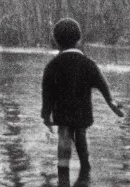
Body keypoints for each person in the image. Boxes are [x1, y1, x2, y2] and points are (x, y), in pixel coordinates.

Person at [41, 18, 124, 177]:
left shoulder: (52, 66)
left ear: (56, 41)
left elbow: (47, 93)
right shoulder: (88, 63)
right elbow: (102, 85)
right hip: (82, 114)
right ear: (78, 39)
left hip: (63, 115)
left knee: (64, 141)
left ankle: (63, 178)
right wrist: (111, 103)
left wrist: (46, 115)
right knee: (81, 139)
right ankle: (85, 173)